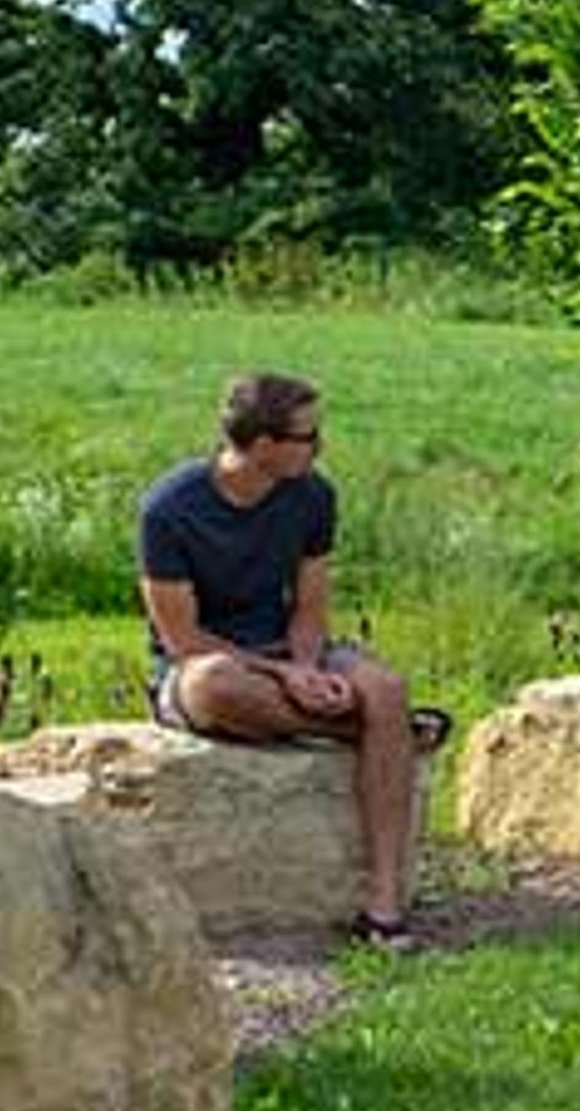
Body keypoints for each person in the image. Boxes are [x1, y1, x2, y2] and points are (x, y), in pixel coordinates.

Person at [138, 371, 437, 945]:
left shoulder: (313, 495)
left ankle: (383, 906)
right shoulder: (169, 509)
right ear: (263, 445)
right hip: (205, 665)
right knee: (216, 685)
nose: (319, 447)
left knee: (388, 689)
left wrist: (307, 666)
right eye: (309, 437)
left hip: (285, 649)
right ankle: (376, 733)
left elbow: (309, 608)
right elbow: (181, 639)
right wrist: (282, 676)